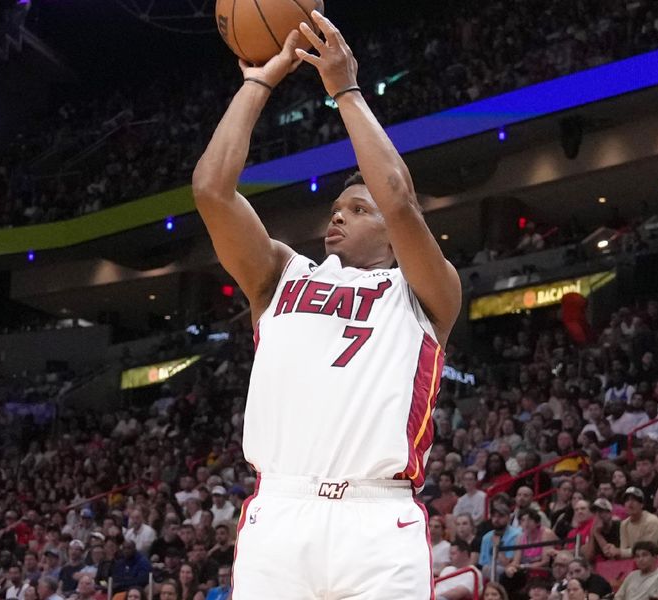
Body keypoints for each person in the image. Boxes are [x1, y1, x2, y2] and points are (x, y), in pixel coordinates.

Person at [191, 11, 461, 599]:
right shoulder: (282, 276)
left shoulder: (424, 293)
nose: (339, 213)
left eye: (359, 209)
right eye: (337, 207)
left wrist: (344, 89)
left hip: (377, 519)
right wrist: (257, 82)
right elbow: (212, 191)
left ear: (392, 234)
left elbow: (399, 197)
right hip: (281, 510)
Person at [605, 487, 658, 558]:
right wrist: (612, 550)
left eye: (634, 500)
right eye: (627, 500)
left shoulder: (652, 522)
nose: (630, 503)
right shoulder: (624, 524)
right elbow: (624, 549)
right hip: (640, 559)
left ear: (641, 505)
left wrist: (619, 552)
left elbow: (646, 550)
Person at [585, 498, 621, 563]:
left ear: (609, 513)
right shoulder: (595, 529)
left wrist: (597, 534)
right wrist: (593, 533)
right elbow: (588, 558)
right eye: (595, 512)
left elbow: (611, 555)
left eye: (601, 511)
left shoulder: (619, 526)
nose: (598, 515)